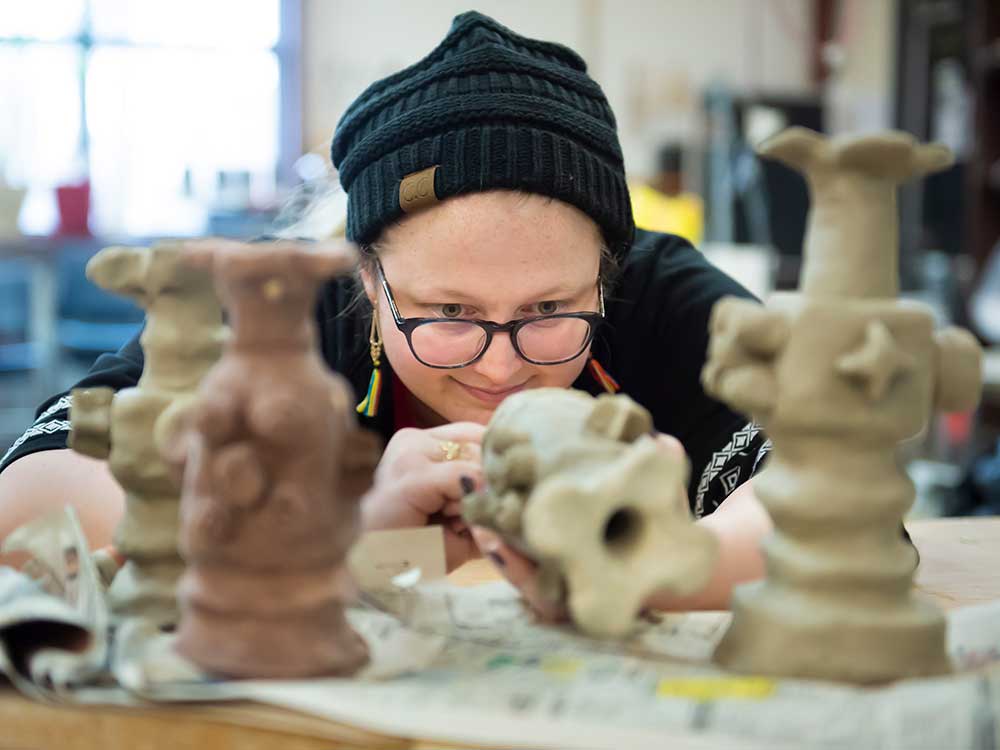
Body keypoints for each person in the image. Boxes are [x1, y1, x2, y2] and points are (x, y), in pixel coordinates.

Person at [0, 11, 772, 613]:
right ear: (367, 279)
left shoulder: (663, 297)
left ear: (607, 274)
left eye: (549, 308)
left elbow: (834, 501)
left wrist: (645, 566)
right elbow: (31, 498)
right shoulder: (279, 301)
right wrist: (333, 542)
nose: (501, 365)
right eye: (448, 311)